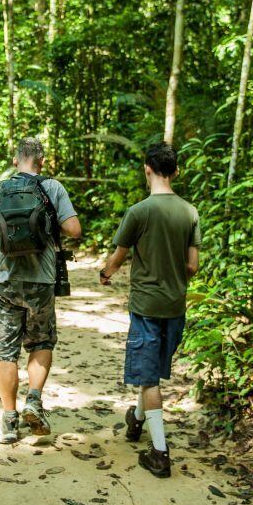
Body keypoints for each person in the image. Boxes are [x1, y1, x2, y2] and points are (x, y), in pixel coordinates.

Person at [0, 137, 81, 444]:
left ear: (16, 161)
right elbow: (74, 230)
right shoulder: (52, 188)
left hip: (4, 281)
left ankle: (9, 420)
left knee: (6, 350)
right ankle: (33, 399)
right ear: (41, 162)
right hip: (41, 281)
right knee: (42, 340)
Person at [99, 142, 200, 477]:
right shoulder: (189, 212)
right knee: (153, 372)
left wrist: (106, 273)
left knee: (147, 377)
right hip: (175, 305)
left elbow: (118, 256)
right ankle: (136, 419)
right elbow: (193, 265)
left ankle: (159, 452)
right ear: (176, 171)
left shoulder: (139, 211)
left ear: (147, 169)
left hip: (145, 305)